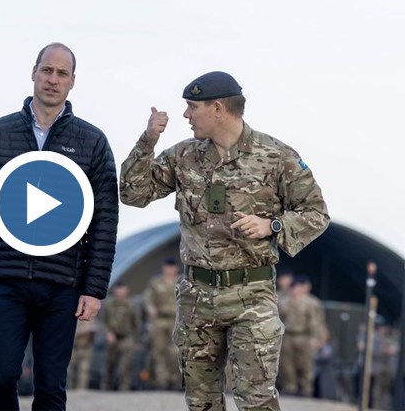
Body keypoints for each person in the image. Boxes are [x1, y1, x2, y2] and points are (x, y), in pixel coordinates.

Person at [119, 71, 330, 410]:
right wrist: (147, 142)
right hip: (197, 298)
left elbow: (316, 213)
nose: (186, 115)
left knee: (256, 400)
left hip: (252, 296)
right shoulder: (182, 156)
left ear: (217, 108)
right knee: (201, 402)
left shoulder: (276, 156)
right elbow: (132, 193)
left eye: (192, 107)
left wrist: (272, 225)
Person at [0, 42, 119, 410]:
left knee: (51, 386)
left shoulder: (92, 142)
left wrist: (94, 289)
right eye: (47, 70)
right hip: (6, 277)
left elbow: (105, 220)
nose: (53, 79)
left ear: (73, 81)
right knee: (0, 375)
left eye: (62, 73)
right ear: (33, 72)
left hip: (62, 282)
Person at [279, 275, 328, 396]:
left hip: (304, 336)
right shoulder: (283, 302)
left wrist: (317, 338)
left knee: (306, 363)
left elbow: (315, 322)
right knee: (287, 363)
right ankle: (290, 386)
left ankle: (306, 388)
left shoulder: (310, 302)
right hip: (288, 335)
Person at [142, 258, 181, 390]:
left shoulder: (181, 281)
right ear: (164, 268)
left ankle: (175, 380)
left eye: (172, 267)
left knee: (175, 351)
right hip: (159, 320)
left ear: (176, 269)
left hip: (176, 320)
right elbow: (147, 297)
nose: (169, 270)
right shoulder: (155, 282)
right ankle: (162, 381)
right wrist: (150, 308)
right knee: (159, 351)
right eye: (167, 267)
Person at [102, 281, 140, 391]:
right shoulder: (109, 304)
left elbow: (136, 324)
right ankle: (107, 386)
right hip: (112, 337)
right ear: (115, 291)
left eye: (122, 289)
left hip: (126, 337)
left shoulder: (131, 305)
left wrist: (137, 341)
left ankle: (124, 387)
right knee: (110, 363)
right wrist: (108, 333)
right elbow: (103, 321)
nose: (120, 292)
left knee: (126, 363)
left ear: (127, 291)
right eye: (118, 289)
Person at [67, 316, 98, 390]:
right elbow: (70, 332)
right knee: (72, 370)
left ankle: (82, 389)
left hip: (86, 347)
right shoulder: (73, 317)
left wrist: (92, 331)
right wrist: (83, 330)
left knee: (84, 370)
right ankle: (71, 389)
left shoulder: (90, 316)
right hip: (74, 347)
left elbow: (95, 330)